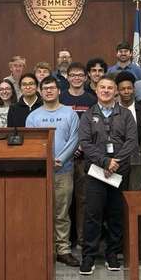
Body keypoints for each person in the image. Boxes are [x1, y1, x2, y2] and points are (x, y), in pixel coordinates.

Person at [78, 75, 138, 275]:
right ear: (96, 90)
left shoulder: (126, 115)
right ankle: (89, 256)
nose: (105, 90)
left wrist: (115, 162)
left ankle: (113, 254)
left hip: (119, 172)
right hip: (96, 172)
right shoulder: (88, 115)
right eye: (102, 87)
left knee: (115, 214)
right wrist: (105, 161)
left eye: (110, 88)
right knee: (92, 215)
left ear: (116, 91)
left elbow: (131, 141)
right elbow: (85, 143)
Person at [26, 76, 80, 267]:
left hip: (63, 171)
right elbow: (30, 143)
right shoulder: (33, 117)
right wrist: (46, 160)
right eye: (45, 88)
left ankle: (63, 250)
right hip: (40, 172)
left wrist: (60, 160)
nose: (48, 91)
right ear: (40, 92)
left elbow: (74, 140)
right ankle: (45, 248)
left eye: (52, 88)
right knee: (41, 211)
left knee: (61, 212)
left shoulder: (70, 114)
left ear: (59, 91)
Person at [60, 62, 97, 250]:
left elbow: (93, 127)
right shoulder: (61, 98)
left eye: (79, 75)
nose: (76, 78)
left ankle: (82, 241)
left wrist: (81, 146)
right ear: (67, 77)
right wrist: (69, 148)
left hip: (85, 157)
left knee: (83, 200)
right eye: (72, 75)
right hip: (63, 158)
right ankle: (65, 241)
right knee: (64, 200)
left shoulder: (91, 100)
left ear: (85, 77)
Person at [116, 71, 141, 192]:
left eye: (129, 88)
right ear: (117, 91)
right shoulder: (111, 111)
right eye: (122, 89)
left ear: (134, 89)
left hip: (137, 160)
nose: (126, 92)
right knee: (117, 196)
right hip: (116, 161)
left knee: (136, 196)